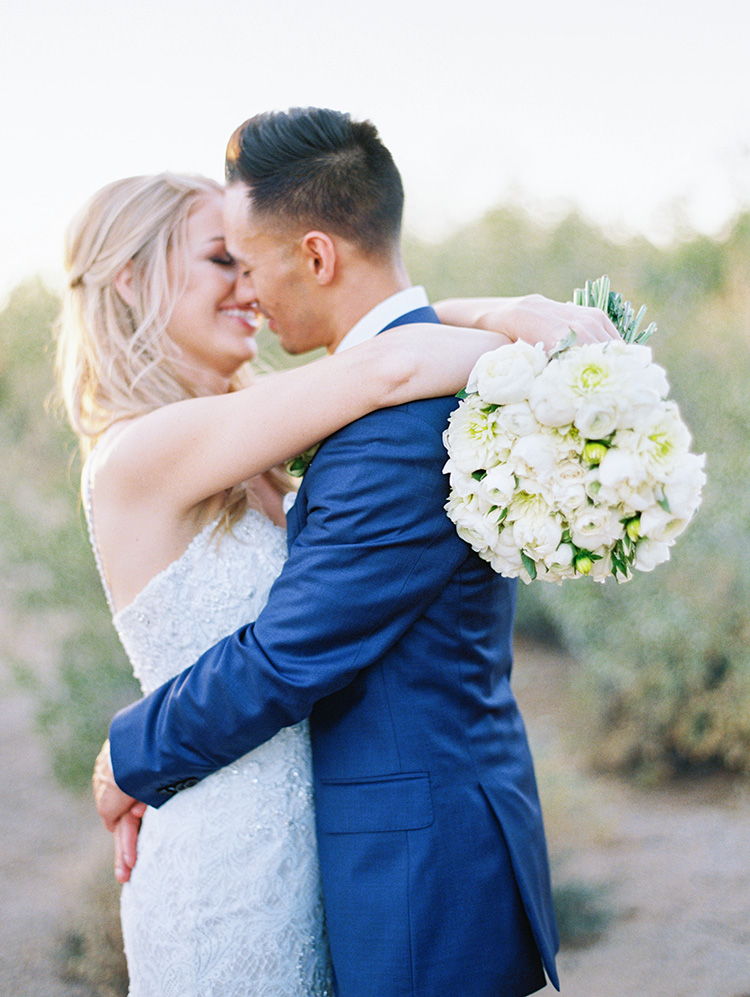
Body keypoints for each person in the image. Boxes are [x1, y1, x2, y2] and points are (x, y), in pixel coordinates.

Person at [91, 111, 618, 997]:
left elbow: (290, 653)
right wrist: (510, 325)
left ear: (318, 254)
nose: (248, 294)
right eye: (220, 264)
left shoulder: (387, 430)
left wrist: (126, 754)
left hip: (407, 857)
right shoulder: (286, 421)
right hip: (272, 846)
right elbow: (378, 358)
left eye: (243, 263)